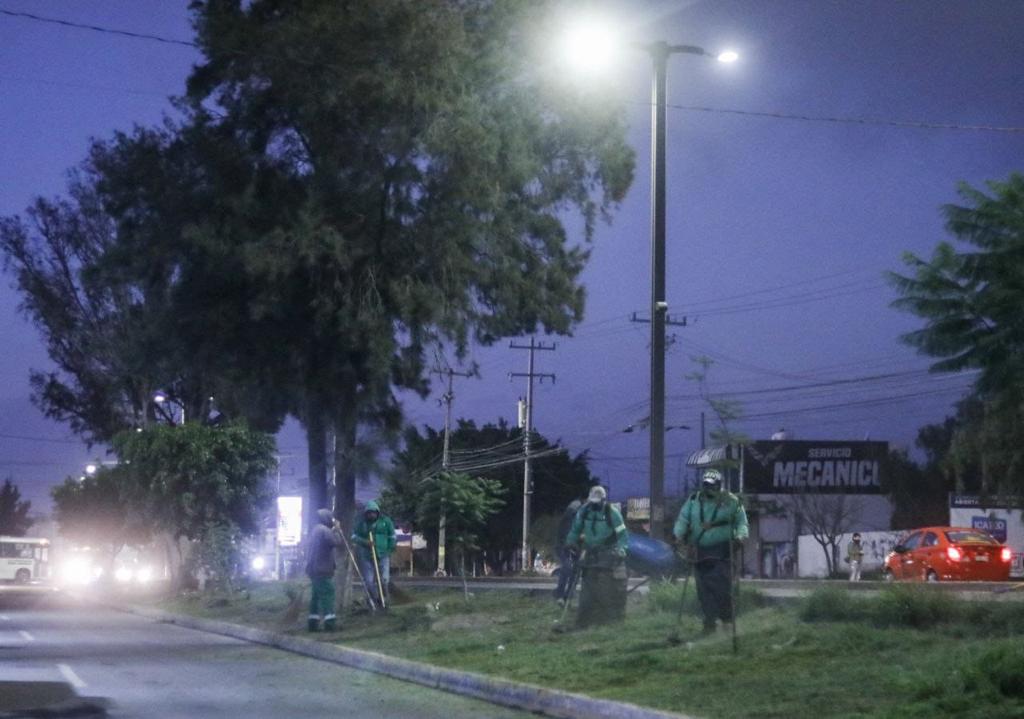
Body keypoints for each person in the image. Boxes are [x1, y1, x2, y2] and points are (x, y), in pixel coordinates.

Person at [672, 468, 749, 635]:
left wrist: (740, 537)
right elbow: (683, 519)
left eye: (712, 485)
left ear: (719, 485)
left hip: (723, 550)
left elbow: (741, 522)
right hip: (700, 551)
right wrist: (678, 535)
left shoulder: (731, 501)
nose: (709, 489)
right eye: (706, 485)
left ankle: (727, 621)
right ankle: (709, 623)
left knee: (722, 588)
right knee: (703, 590)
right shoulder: (693, 500)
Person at [566, 485, 629, 628]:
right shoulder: (584, 511)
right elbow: (575, 530)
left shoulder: (612, 513)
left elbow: (622, 535)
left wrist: (622, 550)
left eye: (597, 503)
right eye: (592, 502)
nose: (594, 505)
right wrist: (570, 542)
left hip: (609, 552)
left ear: (604, 500)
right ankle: (584, 621)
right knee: (587, 587)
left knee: (608, 588)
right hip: (590, 553)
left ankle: (610, 621)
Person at [351, 500, 396, 608]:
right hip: (366, 555)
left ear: (377, 512)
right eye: (369, 513)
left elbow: (392, 536)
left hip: (383, 554)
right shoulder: (361, 522)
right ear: (366, 513)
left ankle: (384, 599)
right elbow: (353, 536)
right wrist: (365, 542)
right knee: (369, 581)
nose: (371, 515)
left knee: (384, 579)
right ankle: (373, 600)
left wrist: (389, 549)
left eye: (373, 512)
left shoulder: (386, 521)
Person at [305, 508, 344, 632]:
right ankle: (330, 623)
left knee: (316, 597)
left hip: (314, 569)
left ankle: (313, 623)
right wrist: (337, 530)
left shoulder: (315, 530)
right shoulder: (324, 530)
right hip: (322, 569)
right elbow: (336, 542)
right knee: (328, 594)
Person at [554, 498, 583, 606]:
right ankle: (560, 595)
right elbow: (567, 536)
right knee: (567, 568)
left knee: (575, 572)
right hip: (564, 548)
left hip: (576, 549)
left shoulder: (581, 521)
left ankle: (568, 597)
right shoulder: (567, 520)